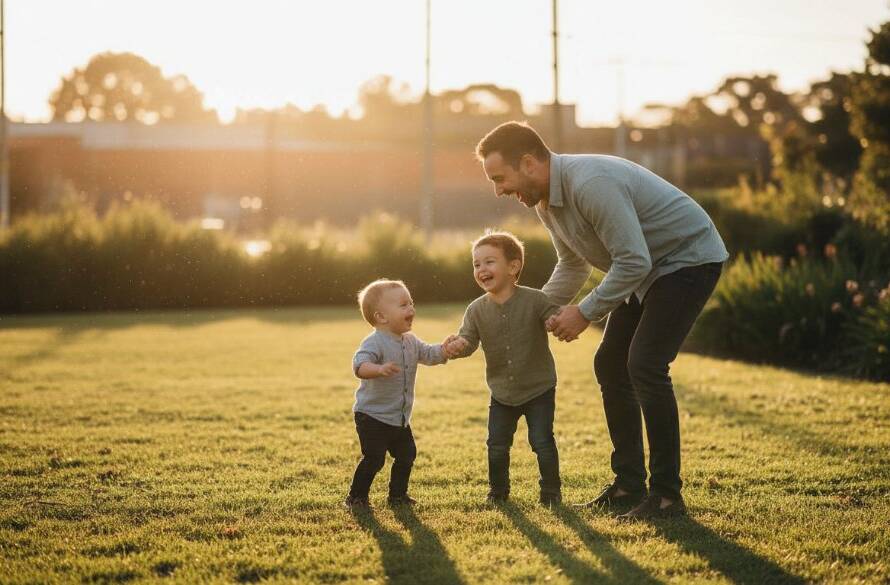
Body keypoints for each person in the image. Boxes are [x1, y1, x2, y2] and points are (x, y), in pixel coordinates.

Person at [475, 121, 728, 520]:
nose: (499, 190)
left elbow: (633, 259)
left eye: (500, 178)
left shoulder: (590, 183)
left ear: (528, 163)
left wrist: (584, 313)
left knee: (644, 363)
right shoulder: (546, 203)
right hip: (644, 271)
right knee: (610, 363)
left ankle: (665, 497)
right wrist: (531, 310)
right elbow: (572, 265)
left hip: (686, 260)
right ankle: (628, 485)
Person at [445, 231, 563, 506]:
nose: (481, 269)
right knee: (497, 446)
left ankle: (551, 492)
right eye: (476, 264)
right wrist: (458, 346)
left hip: (538, 388)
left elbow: (552, 316)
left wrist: (553, 323)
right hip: (501, 392)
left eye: (489, 262)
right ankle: (498, 492)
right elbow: (469, 341)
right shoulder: (475, 310)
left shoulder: (536, 300)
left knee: (542, 442)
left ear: (513, 267)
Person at [345, 279, 461, 508]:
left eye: (411, 303)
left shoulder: (410, 340)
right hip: (372, 416)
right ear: (381, 317)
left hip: (399, 418)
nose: (411, 309)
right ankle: (356, 497)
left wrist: (445, 349)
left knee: (407, 455)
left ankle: (397, 496)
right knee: (375, 458)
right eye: (403, 305)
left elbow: (429, 354)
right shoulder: (375, 342)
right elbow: (360, 366)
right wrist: (378, 369)